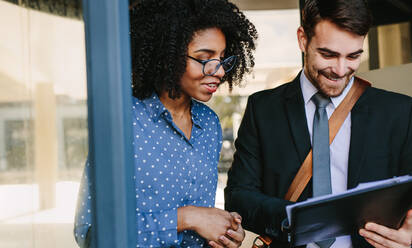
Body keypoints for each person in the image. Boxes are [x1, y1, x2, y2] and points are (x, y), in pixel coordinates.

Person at [224, 0, 412, 247]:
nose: (341, 69)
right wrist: (295, 218)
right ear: (303, 39)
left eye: (353, 56)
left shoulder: (399, 112)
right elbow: (238, 197)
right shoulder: (263, 108)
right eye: (328, 54)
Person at [74, 0, 257, 247]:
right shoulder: (121, 120)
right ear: (167, 54)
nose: (220, 71)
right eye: (205, 58)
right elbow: (91, 235)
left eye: (223, 59)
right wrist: (186, 218)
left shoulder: (209, 124)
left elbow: (201, 226)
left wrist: (224, 232)